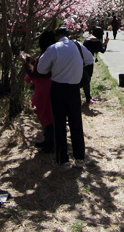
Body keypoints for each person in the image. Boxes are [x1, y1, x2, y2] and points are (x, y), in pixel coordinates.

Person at [36, 27, 95, 168]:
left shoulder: (53, 48)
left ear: (57, 36)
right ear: (68, 35)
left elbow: (40, 69)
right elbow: (90, 59)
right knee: (76, 123)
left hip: (58, 88)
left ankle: (63, 159)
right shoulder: (77, 45)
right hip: (74, 89)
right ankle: (79, 158)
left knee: (59, 124)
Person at [23, 30, 56, 153]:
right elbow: (41, 65)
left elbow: (35, 73)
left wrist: (25, 63)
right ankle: (48, 141)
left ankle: (49, 145)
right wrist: (32, 60)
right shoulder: (52, 53)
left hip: (44, 89)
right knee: (49, 115)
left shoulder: (46, 54)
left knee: (45, 115)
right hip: (51, 86)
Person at [82, 26, 109, 105]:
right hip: (89, 62)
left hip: (82, 61)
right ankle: (88, 99)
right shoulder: (95, 41)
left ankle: (88, 97)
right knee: (87, 80)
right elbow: (102, 50)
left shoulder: (88, 38)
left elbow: (98, 47)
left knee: (85, 79)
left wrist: (103, 43)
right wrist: (106, 43)